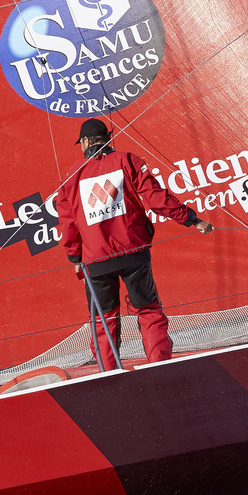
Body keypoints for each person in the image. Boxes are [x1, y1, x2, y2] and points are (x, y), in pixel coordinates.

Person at [55, 117, 215, 366]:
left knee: (103, 320)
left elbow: (67, 223)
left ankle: (109, 375)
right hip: (134, 253)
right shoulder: (126, 160)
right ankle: (159, 364)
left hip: (95, 260)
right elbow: (155, 198)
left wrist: (74, 257)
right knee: (149, 311)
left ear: (85, 142)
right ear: (107, 139)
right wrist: (192, 220)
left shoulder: (71, 176)